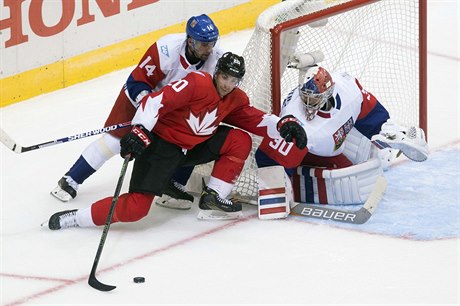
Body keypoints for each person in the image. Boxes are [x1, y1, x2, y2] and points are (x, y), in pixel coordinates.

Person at [45, 52, 307, 229]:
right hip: (161, 147)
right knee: (136, 209)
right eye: (225, 77)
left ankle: (214, 195)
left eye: (234, 80)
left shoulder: (235, 100)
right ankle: (76, 218)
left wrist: (283, 124)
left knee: (238, 138)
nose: (228, 84)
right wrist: (140, 131)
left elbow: (255, 119)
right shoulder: (196, 83)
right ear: (217, 73)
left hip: (191, 149)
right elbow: (154, 102)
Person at [51, 14, 223, 210]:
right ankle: (71, 179)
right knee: (115, 142)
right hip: (142, 99)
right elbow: (137, 82)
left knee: (188, 141)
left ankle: (171, 187)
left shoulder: (216, 58)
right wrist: (149, 112)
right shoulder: (166, 49)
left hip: (176, 109)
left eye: (212, 43)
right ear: (190, 40)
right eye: (203, 44)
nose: (209, 49)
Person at [255, 64, 428, 205]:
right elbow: (270, 148)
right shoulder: (293, 112)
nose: (309, 103)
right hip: (308, 150)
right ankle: (279, 186)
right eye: (306, 97)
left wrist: (386, 129)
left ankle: (394, 132)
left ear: (328, 92)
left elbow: (369, 110)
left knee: (377, 162)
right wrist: (276, 184)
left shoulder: (348, 89)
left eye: (314, 98)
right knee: (348, 183)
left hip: (332, 147)